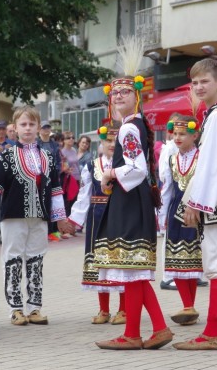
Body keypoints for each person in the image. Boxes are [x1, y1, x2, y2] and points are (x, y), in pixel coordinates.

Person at [92, 69, 171, 351]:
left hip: (129, 202)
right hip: (135, 200)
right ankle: (142, 331)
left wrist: (108, 174)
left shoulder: (128, 127)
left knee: (132, 269)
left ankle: (142, 331)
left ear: (136, 95)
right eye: (114, 93)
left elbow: (135, 169)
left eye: (124, 92)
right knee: (133, 272)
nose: (118, 97)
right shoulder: (136, 124)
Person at [0, 105, 70, 326]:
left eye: (31, 124)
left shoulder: (47, 156)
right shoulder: (7, 155)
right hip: (14, 216)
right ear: (15, 129)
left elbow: (55, 189)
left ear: (38, 128)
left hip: (40, 216)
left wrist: (61, 218)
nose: (27, 129)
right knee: (13, 259)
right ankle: (16, 308)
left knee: (36, 259)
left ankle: (35, 308)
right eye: (23, 125)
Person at [173, 59, 217, 351]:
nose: (199, 87)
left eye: (205, 81)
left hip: (215, 198)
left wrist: (197, 203)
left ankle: (213, 333)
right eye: (195, 82)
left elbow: (211, 165)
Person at [67, 123, 126, 325]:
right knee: (99, 261)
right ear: (101, 141)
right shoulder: (92, 165)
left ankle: (124, 309)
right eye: (108, 140)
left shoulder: (125, 166)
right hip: (97, 215)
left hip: (118, 215)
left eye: (115, 140)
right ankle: (103, 309)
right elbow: (84, 195)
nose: (112, 144)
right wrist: (74, 220)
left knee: (118, 260)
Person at [158, 115, 203, 326]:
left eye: (182, 134)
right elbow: (166, 190)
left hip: (196, 211)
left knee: (192, 260)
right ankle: (188, 305)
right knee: (176, 259)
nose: (177, 137)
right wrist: (161, 215)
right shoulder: (171, 159)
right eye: (175, 133)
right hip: (175, 211)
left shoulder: (202, 157)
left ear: (194, 135)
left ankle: (189, 304)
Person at [158, 112, 181, 291]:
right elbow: (164, 176)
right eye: (173, 128)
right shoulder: (169, 148)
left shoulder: (182, 147)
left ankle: (185, 272)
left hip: (182, 195)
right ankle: (167, 276)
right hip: (172, 194)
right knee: (169, 236)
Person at [38, 120, 63, 242]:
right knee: (42, 203)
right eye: (44, 128)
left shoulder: (54, 145)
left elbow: (58, 160)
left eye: (48, 127)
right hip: (40, 178)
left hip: (53, 177)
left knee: (54, 203)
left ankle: (54, 231)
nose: (46, 130)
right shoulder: (36, 143)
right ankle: (44, 231)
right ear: (39, 129)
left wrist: (55, 171)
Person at [60, 131, 81, 224]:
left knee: (75, 202)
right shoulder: (61, 152)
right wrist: (66, 169)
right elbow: (63, 166)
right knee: (67, 202)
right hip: (68, 179)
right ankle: (66, 226)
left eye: (72, 137)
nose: (71, 139)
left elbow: (77, 164)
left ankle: (72, 225)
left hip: (76, 178)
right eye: (68, 138)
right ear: (63, 140)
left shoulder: (74, 150)